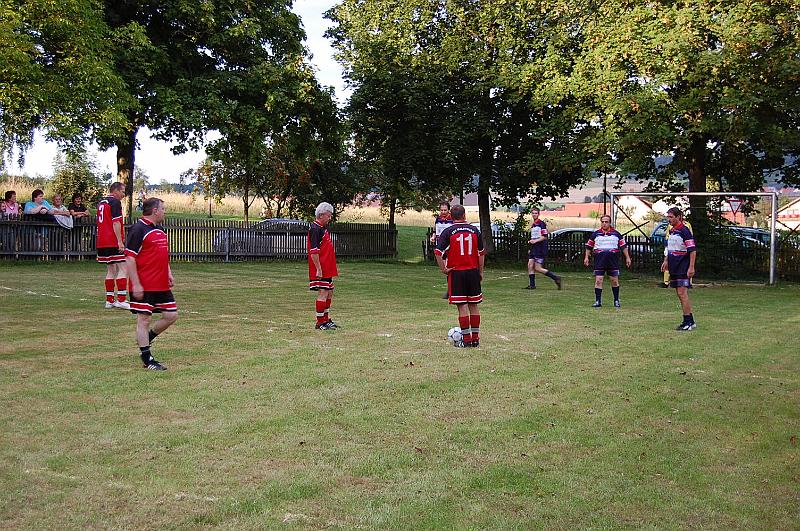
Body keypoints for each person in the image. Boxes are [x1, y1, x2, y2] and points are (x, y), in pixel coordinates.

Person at [126, 197, 177, 370]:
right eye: (163, 208)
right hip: (145, 283)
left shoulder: (160, 229)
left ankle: (147, 339)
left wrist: (168, 272)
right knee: (144, 318)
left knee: (171, 315)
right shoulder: (138, 229)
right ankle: (147, 358)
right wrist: (136, 283)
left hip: (161, 282)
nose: (165, 211)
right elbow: (130, 258)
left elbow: (163, 254)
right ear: (155, 211)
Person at [435, 204, 485, 348]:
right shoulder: (475, 230)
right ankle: (475, 339)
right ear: (464, 215)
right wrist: (480, 271)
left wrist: (444, 269)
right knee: (473, 305)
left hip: (457, 273)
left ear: (450, 216)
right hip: (473, 271)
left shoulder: (448, 231)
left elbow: (438, 252)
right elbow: (481, 253)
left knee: (462, 306)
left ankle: (467, 340)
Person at [661, 207, 697, 331]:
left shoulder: (685, 231)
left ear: (678, 217)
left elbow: (692, 251)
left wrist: (691, 267)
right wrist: (666, 261)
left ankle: (688, 322)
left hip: (683, 266)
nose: (669, 219)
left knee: (682, 293)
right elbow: (670, 247)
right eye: (668, 217)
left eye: (671, 217)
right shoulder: (672, 231)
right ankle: (690, 320)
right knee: (679, 293)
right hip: (674, 266)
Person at [583, 215, 632, 308]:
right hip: (599, 261)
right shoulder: (595, 234)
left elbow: (623, 247)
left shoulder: (616, 234)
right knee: (598, 280)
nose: (604, 224)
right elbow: (589, 246)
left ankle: (616, 300)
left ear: (610, 223)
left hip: (612, 261)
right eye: (603, 222)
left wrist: (627, 258)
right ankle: (598, 301)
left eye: (606, 222)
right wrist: (586, 257)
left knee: (614, 281)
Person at [97, 182, 129, 309]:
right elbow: (116, 223)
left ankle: (109, 300)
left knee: (111, 270)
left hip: (102, 241)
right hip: (112, 240)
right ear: (115, 191)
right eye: (122, 191)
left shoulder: (101, 203)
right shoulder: (114, 202)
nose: (123, 194)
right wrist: (120, 241)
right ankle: (121, 299)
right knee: (123, 268)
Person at [308, 202, 338, 330]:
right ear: (321, 215)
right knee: (323, 292)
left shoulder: (322, 228)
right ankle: (319, 321)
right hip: (321, 267)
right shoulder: (315, 229)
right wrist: (319, 269)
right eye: (328, 215)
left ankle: (326, 319)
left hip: (328, 266)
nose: (330, 217)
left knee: (329, 292)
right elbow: (314, 251)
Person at [523, 208, 562, 290]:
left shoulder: (541, 224)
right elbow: (535, 236)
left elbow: (544, 237)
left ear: (538, 214)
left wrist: (535, 241)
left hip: (539, 248)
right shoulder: (534, 224)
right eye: (533, 213)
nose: (534, 214)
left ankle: (556, 278)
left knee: (538, 268)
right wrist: (531, 243)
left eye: (536, 213)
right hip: (534, 248)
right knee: (530, 265)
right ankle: (532, 285)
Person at [431, 202, 453, 299]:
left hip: (450, 247)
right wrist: (433, 236)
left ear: (449, 210)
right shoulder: (438, 219)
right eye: (441, 210)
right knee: (445, 269)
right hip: (440, 247)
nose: (443, 212)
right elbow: (436, 230)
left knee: (448, 268)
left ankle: (450, 291)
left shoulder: (452, 219)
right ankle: (451, 289)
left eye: (445, 210)